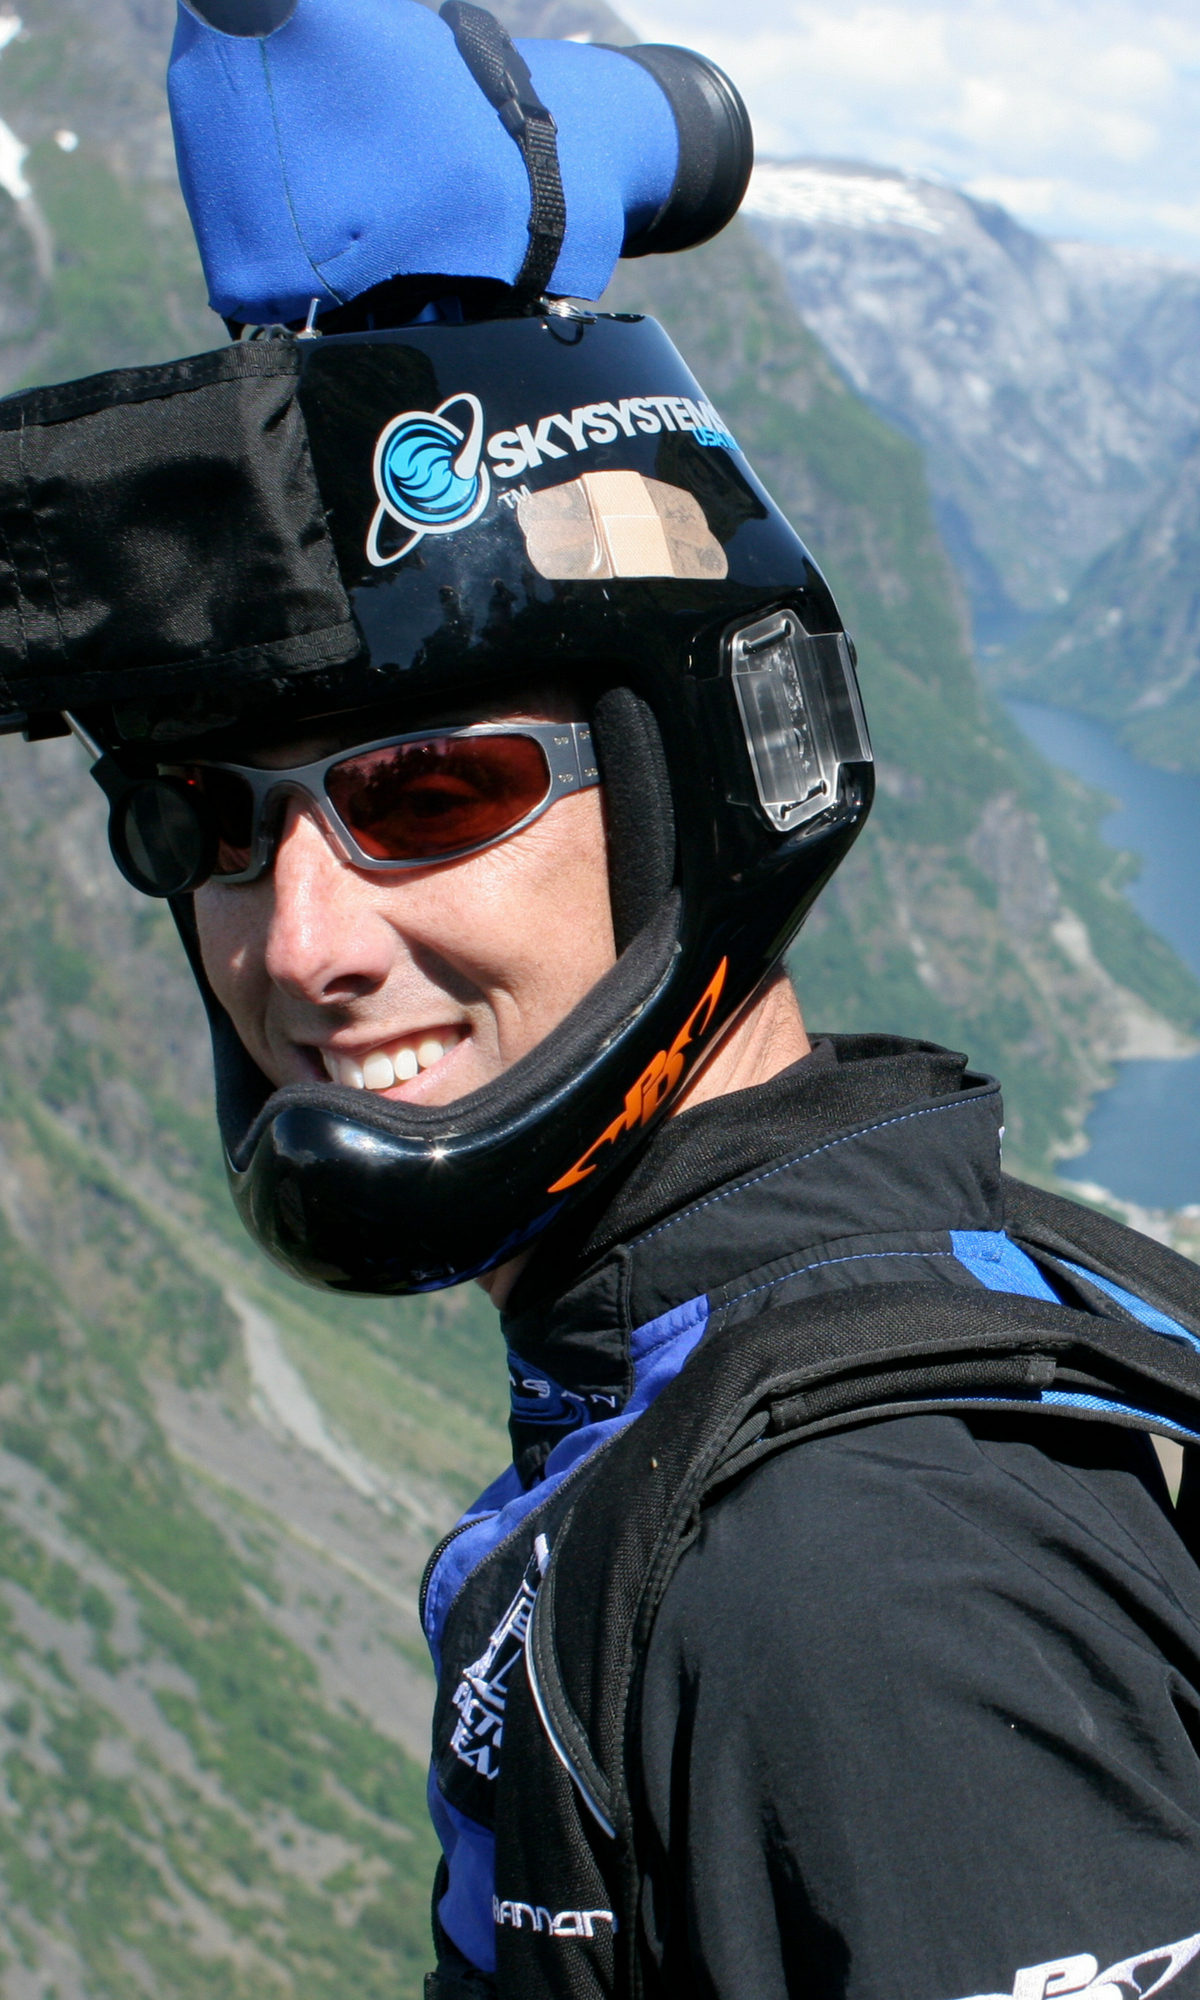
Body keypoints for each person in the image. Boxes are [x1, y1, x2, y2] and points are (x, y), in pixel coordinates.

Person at [3, 3, 1200, 1996]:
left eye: (427, 791)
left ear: (707, 781)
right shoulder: (785, 1357)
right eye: (206, 819)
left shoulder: (862, 1587)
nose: (297, 941)